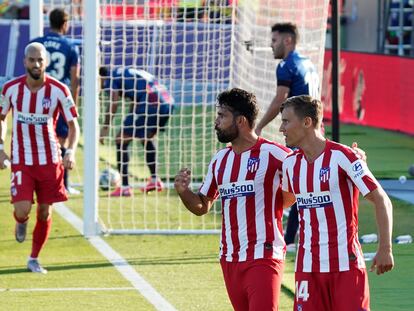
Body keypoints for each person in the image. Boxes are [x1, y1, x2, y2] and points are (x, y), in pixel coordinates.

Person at [174, 88, 291, 311]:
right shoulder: (220, 160)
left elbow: (307, 175)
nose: (216, 122)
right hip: (230, 257)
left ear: (241, 121)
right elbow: (202, 205)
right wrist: (183, 191)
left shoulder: (275, 154)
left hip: (264, 255)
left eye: (222, 116)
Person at [279, 95, 394, 311]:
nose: (281, 129)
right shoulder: (290, 165)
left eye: (286, 121)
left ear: (307, 122)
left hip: (346, 266)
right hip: (308, 269)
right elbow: (283, 203)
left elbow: (381, 200)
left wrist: (385, 248)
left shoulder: (345, 157)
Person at [0, 42, 80, 274]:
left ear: (46, 62)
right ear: (24, 61)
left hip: (50, 160)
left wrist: (71, 151)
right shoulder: (10, 88)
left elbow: (74, 126)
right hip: (22, 160)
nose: (36, 64)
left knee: (45, 212)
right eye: (32, 60)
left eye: (40, 60)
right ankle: (21, 221)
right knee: (23, 209)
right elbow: (2, 118)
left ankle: (34, 258)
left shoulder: (59, 90)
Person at [255, 22, 320, 252]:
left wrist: (259, 126)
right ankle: (298, 237)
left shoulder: (286, 65)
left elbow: (279, 100)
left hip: (301, 133)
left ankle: (291, 240)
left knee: (296, 183)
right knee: (307, 184)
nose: (271, 46)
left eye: (274, 41)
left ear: (287, 40)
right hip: (314, 131)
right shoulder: (308, 64)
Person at [99, 66, 174, 196]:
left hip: (150, 103)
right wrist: (130, 120)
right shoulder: (126, 72)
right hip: (167, 102)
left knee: (120, 140)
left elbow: (114, 101)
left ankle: (125, 187)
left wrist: (105, 127)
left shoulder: (111, 78)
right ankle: (155, 180)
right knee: (147, 138)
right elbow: (135, 99)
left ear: (101, 77)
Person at [31, 8, 81, 195]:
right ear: (65, 24)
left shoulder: (36, 43)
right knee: (61, 143)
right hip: (58, 99)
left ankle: (35, 180)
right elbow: (75, 78)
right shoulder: (70, 46)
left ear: (49, 22)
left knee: (36, 140)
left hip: (36, 97)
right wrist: (72, 103)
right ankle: (62, 185)